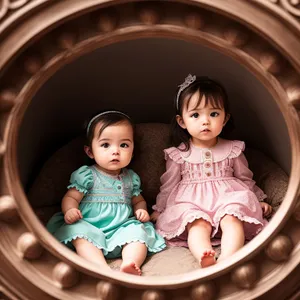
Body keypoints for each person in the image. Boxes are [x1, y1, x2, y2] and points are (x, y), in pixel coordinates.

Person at [150, 75, 272, 268]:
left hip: (227, 197)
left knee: (232, 217)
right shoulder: (178, 154)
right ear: (182, 121)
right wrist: (160, 209)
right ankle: (204, 256)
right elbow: (169, 185)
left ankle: (228, 258)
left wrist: (257, 198)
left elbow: (245, 177)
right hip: (191, 201)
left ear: (225, 118)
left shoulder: (233, 149)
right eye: (196, 115)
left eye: (213, 114)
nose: (205, 121)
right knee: (197, 224)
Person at [47, 110, 166, 275]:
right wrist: (70, 210)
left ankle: (130, 263)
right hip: (90, 226)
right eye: (105, 145)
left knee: (138, 231)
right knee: (77, 231)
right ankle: (100, 268)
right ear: (90, 152)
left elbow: (138, 200)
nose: (115, 151)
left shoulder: (131, 178)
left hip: (121, 229)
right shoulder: (87, 175)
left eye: (124, 145)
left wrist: (141, 210)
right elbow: (71, 197)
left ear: (132, 151)